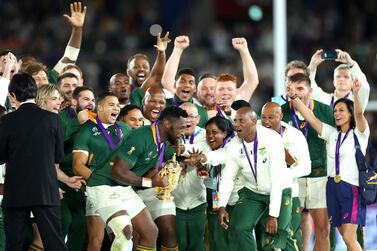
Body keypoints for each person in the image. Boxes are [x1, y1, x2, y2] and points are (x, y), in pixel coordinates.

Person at [286, 79, 368, 251]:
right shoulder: (331, 134)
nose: (336, 114)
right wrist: (294, 98)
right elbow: (310, 117)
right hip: (331, 187)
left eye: (342, 111)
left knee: (348, 236)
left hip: (350, 188)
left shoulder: (359, 134)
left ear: (351, 113)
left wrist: (356, 95)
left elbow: (360, 115)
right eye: (335, 110)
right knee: (343, 233)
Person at [0, 73, 67, 250]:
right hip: (45, 189)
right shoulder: (53, 119)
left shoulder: (6, 121)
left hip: (16, 192)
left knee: (14, 244)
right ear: (35, 93)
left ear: (12, 96)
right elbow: (58, 156)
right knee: (55, 243)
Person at [112, 106, 188, 251]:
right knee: (135, 237)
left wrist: (185, 163)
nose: (183, 133)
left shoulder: (164, 141)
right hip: (117, 189)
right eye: (180, 128)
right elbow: (118, 172)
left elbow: (173, 159)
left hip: (144, 189)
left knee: (162, 231)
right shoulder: (141, 136)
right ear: (167, 124)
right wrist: (151, 182)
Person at [281, 73, 334, 251]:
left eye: (300, 88)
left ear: (310, 90)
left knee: (322, 230)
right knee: (290, 229)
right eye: (292, 89)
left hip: (319, 177)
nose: (296, 93)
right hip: (292, 178)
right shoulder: (281, 111)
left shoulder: (325, 110)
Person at [72, 92, 131, 251]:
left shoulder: (125, 129)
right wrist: (101, 182)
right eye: (111, 104)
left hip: (123, 189)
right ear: (101, 107)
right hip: (99, 190)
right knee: (97, 241)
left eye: (118, 105)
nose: (116, 108)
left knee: (123, 236)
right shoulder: (87, 130)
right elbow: (78, 164)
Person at [260, 102, 312, 250]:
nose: (266, 121)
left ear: (281, 116)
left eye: (271, 117)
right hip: (263, 193)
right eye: (263, 117)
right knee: (266, 239)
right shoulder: (256, 131)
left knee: (289, 236)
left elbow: (306, 167)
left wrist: (284, 174)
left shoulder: (295, 135)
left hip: (289, 192)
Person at [59, 86, 95, 250]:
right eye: (86, 99)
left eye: (93, 100)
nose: (91, 103)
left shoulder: (94, 123)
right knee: (64, 220)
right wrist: (76, 123)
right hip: (60, 177)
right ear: (74, 102)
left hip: (81, 181)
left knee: (81, 225)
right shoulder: (62, 118)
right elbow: (55, 144)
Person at [172, 102, 207, 251]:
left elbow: (203, 151)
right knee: (177, 244)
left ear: (198, 119)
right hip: (174, 202)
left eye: (191, 116)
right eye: (183, 116)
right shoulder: (170, 134)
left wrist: (181, 153)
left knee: (197, 244)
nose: (187, 120)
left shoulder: (206, 134)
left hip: (197, 201)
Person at [160, 36, 208, 127]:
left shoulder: (202, 113)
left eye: (191, 83)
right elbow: (166, 78)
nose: (187, 85)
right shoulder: (162, 105)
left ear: (194, 89)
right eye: (182, 81)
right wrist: (178, 49)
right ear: (174, 85)